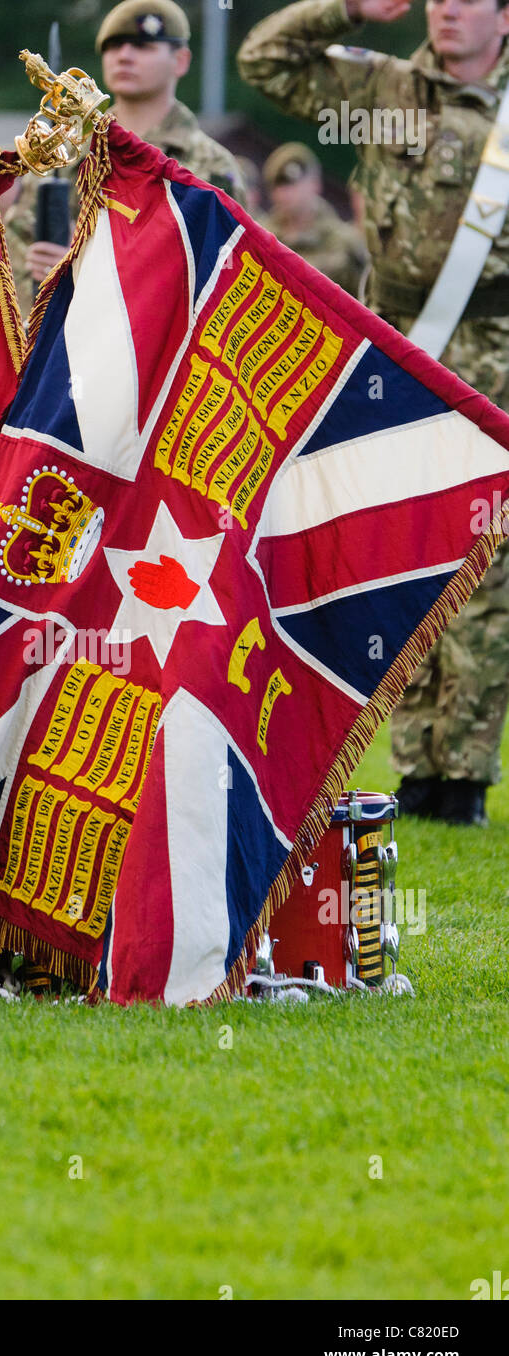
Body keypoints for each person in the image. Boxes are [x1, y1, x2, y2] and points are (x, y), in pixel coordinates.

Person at [239, 0, 509, 827]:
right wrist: (348, 9)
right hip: (397, 351)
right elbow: (263, 61)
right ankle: (411, 759)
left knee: (486, 561)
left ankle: (459, 773)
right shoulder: (379, 84)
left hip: (494, 347)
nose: (445, 10)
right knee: (398, 541)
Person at [6, 0, 247, 319]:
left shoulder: (212, 167)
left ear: (181, 60)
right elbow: (17, 260)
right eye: (113, 46)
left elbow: (224, 277)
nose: (124, 55)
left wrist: (92, 272)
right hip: (71, 348)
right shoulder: (66, 155)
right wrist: (55, 279)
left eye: (143, 46)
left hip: (169, 354)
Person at [262, 141, 367, 296]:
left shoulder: (346, 242)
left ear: (315, 184)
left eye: (293, 183)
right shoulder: (262, 242)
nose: (286, 193)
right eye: (280, 186)